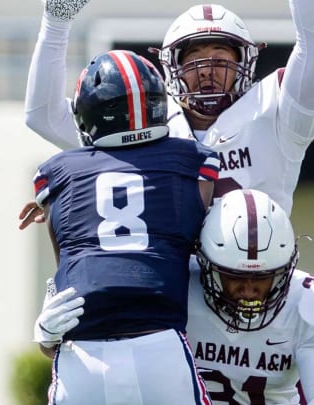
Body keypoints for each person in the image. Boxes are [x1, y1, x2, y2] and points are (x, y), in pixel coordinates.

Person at [35, 188, 314, 404]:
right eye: (234, 276)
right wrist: (51, 338)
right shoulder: (172, 286)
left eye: (263, 277)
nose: (249, 289)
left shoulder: (310, 307)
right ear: (204, 264)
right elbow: (100, 358)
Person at [23, 0, 314, 223]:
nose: (206, 71)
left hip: (258, 290)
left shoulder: (277, 112)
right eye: (193, 59)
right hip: (174, 295)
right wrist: (56, 22)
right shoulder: (144, 122)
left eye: (219, 58)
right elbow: (43, 116)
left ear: (245, 64)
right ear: (172, 70)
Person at [31, 49, 218, 405]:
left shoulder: (57, 173)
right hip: (160, 347)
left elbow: (70, 264)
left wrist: (44, 336)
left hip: (83, 354)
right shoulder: (194, 159)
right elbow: (191, 221)